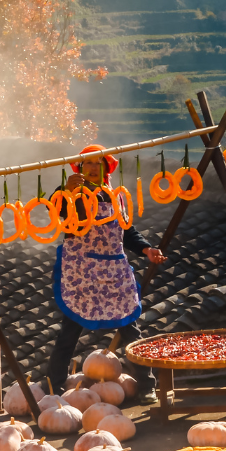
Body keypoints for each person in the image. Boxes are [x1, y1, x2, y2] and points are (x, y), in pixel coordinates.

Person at [47, 144, 166, 402]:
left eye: (96, 163)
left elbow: (126, 229)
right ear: (78, 168)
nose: (91, 168)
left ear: (106, 167)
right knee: (69, 334)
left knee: (131, 330)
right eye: (86, 163)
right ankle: (53, 390)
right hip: (82, 272)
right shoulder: (70, 193)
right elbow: (58, 215)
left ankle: (148, 386)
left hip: (113, 270)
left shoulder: (116, 196)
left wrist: (146, 249)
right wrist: (65, 191)